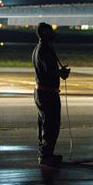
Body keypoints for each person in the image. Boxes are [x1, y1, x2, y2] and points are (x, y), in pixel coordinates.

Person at [32, 22, 70, 167]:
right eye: (50, 32)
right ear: (44, 33)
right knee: (51, 125)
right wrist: (62, 73)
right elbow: (49, 71)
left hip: (41, 92)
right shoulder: (45, 49)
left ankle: (45, 153)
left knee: (44, 124)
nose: (53, 34)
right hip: (47, 93)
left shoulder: (38, 48)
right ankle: (46, 155)